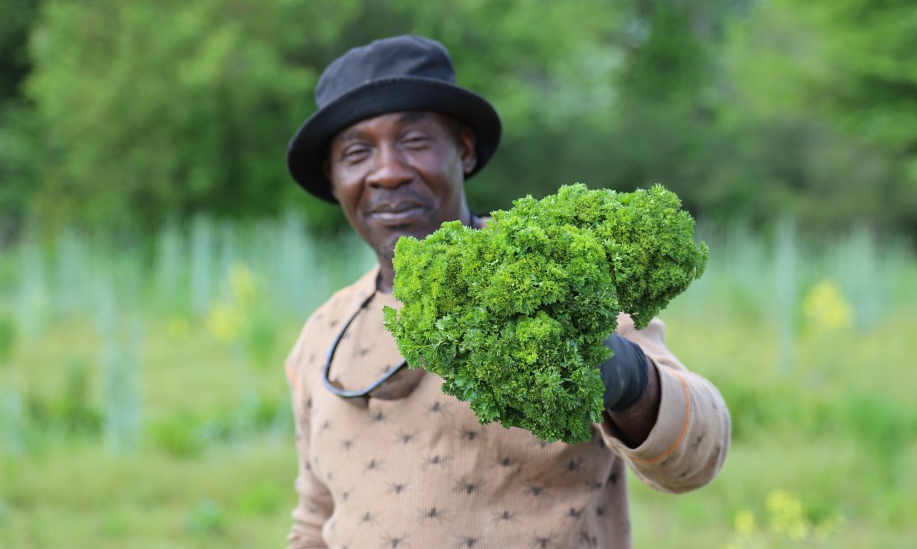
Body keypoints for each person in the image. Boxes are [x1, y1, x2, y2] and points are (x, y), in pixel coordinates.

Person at [283, 35, 730, 548]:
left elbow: (698, 454)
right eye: (357, 152)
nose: (387, 171)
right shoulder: (323, 333)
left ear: (464, 150)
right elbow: (316, 518)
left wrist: (625, 377)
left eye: (414, 140)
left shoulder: (560, 280)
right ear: (334, 178)